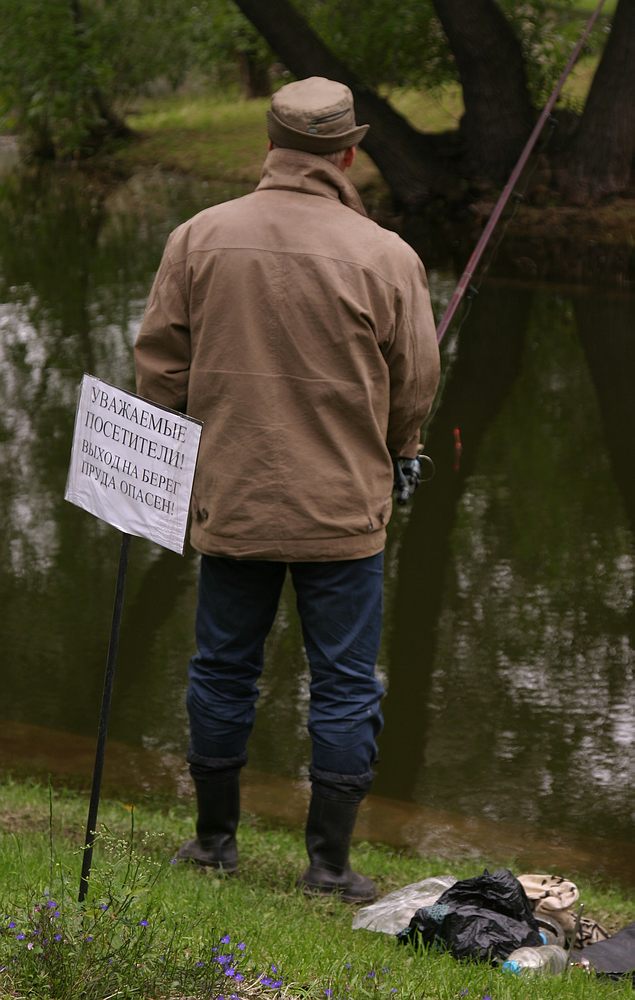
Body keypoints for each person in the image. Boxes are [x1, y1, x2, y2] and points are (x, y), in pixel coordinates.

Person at [134, 76, 440, 903]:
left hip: (230, 500)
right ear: (347, 152)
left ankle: (212, 847)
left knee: (221, 670)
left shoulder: (198, 237)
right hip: (342, 512)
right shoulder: (387, 256)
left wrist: (174, 458)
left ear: (269, 147)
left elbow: (159, 369)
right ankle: (330, 867)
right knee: (343, 684)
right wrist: (399, 449)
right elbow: (413, 385)